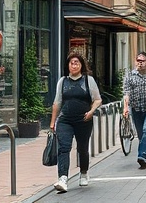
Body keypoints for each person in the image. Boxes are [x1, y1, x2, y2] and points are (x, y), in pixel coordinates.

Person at [49, 53, 102, 192]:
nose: (74, 65)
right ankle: (63, 178)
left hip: (83, 120)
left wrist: (91, 112)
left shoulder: (88, 80)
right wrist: (52, 122)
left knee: (82, 148)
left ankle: (83, 172)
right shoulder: (63, 81)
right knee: (64, 148)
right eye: (71, 63)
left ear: (81, 65)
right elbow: (57, 102)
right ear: (68, 65)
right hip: (65, 120)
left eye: (77, 63)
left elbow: (97, 99)